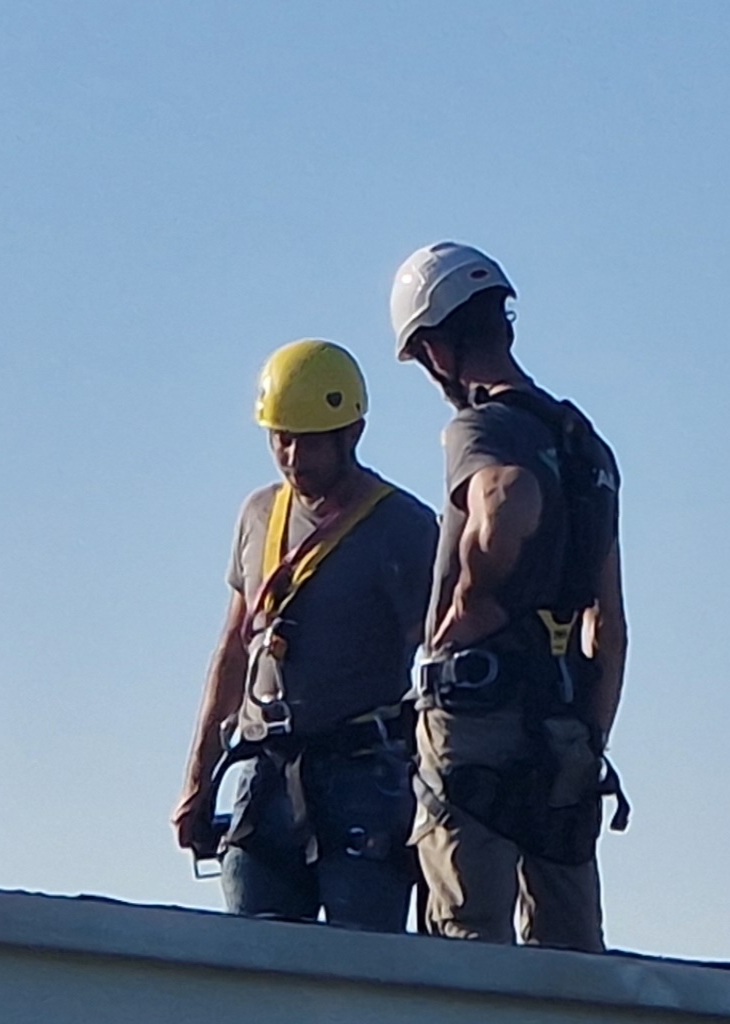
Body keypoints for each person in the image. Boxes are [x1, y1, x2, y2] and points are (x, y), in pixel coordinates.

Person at [390, 241, 629, 951]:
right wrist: (589, 738)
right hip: (564, 725)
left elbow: (507, 496)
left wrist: (474, 597)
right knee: (570, 956)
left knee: (469, 945)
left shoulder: (482, 426)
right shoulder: (588, 449)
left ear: (436, 346)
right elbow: (609, 625)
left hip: (477, 719)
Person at [173, 339, 437, 931]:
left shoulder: (405, 528)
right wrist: (197, 780)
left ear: (352, 433)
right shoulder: (258, 514)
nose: (291, 456)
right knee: (256, 973)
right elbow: (233, 649)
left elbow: (440, 651)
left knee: (362, 975)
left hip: (362, 780)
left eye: (308, 439)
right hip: (263, 777)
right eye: (280, 438)